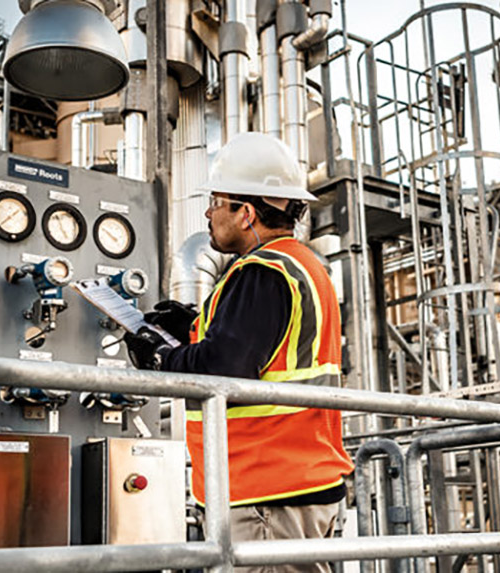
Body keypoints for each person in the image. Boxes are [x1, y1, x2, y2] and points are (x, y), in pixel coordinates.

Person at [124, 132, 354, 573]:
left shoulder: (261, 272)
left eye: (216, 202)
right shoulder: (300, 265)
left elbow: (223, 369)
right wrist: (191, 326)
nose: (208, 213)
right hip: (296, 481)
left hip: (266, 491)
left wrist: (160, 357)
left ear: (246, 213)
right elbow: (260, 348)